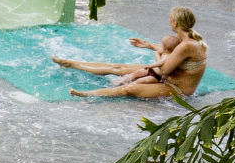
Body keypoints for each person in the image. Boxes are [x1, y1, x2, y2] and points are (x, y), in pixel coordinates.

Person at [54, 7, 208, 100]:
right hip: (164, 75)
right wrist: (149, 45)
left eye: (170, 19)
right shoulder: (185, 40)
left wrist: (155, 55)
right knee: (118, 68)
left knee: (130, 89)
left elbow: (165, 69)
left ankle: (86, 94)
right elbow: (170, 54)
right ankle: (72, 64)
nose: (169, 22)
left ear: (175, 22)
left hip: (176, 87)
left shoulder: (187, 45)